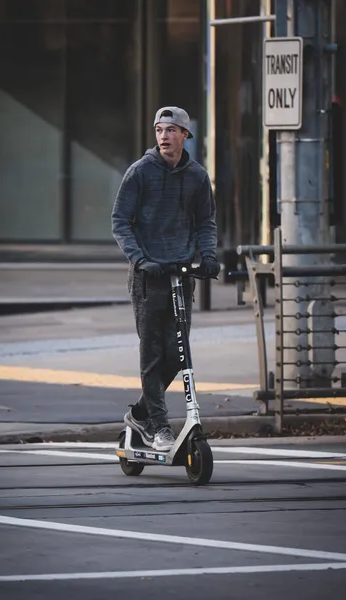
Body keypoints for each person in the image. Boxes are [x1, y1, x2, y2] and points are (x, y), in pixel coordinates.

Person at [111, 106, 219, 452]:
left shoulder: (197, 176)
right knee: (153, 355)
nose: (164, 136)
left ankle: (141, 412)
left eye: (171, 130)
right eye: (159, 129)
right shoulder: (140, 172)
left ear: (185, 135)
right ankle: (159, 427)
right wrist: (140, 259)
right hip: (148, 278)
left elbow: (205, 222)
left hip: (180, 276)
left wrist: (209, 257)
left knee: (178, 355)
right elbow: (120, 222)